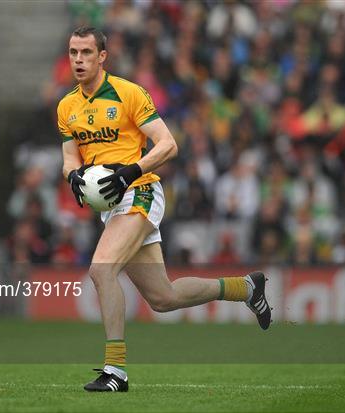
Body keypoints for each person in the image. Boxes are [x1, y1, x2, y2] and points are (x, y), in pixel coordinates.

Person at [58, 27, 272, 393]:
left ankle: (116, 371)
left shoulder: (128, 93)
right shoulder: (67, 106)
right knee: (163, 298)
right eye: (74, 52)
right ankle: (246, 288)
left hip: (140, 192)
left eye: (86, 53)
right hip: (111, 208)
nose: (79, 60)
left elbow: (168, 144)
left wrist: (130, 172)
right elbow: (67, 158)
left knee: (101, 269)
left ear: (102, 57)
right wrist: (74, 176)